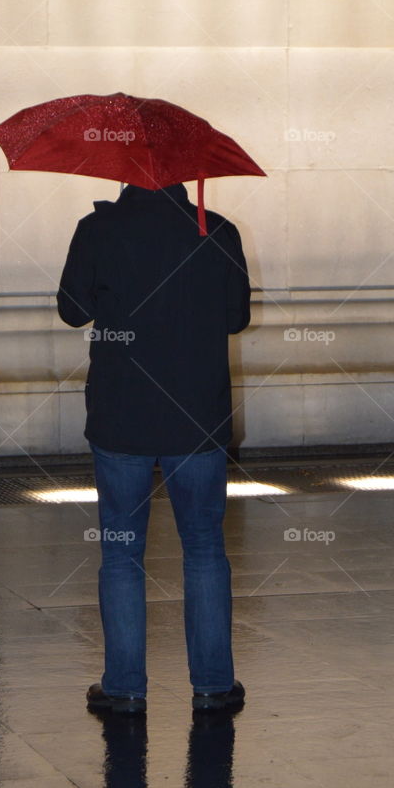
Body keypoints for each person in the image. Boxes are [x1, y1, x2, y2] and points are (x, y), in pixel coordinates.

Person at [57, 182, 252, 714]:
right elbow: (236, 318)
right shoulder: (220, 231)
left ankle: (123, 687)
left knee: (121, 554)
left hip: (122, 418)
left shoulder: (97, 230)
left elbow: (72, 311)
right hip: (198, 419)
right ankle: (213, 684)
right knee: (206, 549)